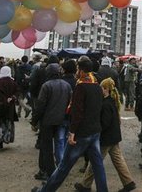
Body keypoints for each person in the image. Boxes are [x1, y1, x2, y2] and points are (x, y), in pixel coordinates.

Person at [32, 57, 107, 192]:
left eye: (78, 69)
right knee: (98, 165)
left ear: (82, 71)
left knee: (63, 167)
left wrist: (72, 132)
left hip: (81, 134)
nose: (76, 71)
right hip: (95, 131)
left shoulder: (81, 87)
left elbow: (77, 112)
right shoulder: (97, 86)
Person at [74, 78, 136, 192]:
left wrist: (96, 130)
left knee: (95, 161)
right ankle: (128, 182)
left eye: (101, 88)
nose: (100, 90)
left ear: (106, 89)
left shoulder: (106, 104)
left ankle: (85, 185)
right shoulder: (112, 101)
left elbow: (104, 123)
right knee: (118, 160)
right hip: (113, 137)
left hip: (106, 138)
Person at [32, 63, 73, 181]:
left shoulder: (46, 86)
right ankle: (55, 170)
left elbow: (40, 105)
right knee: (60, 145)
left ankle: (48, 172)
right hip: (61, 120)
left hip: (47, 121)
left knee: (46, 147)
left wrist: (34, 121)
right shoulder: (66, 85)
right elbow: (70, 103)